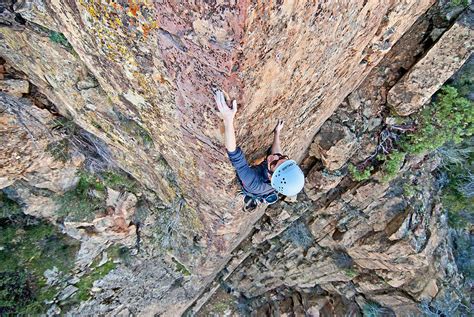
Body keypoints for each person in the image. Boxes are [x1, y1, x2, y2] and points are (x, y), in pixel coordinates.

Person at [214, 90, 305, 211]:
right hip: (268, 182)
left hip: (254, 188)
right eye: (283, 158)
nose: (276, 157)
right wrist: (277, 132)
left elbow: (234, 155)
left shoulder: (253, 182)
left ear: (271, 176)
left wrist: (228, 119)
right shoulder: (280, 170)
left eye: (274, 163)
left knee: (250, 190)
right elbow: (276, 154)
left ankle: (251, 198)